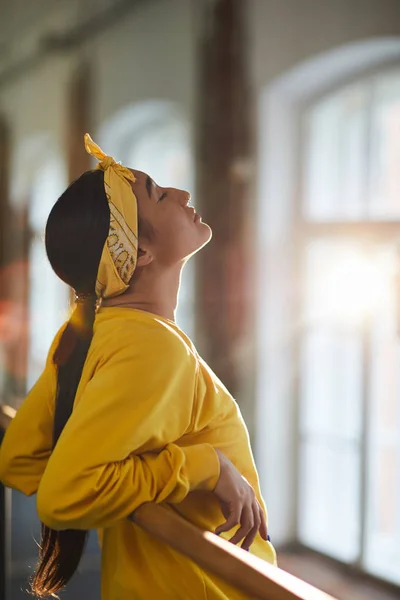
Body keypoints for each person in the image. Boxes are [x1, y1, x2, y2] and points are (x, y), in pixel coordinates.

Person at [0, 135, 276, 600]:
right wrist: (205, 465)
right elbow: (64, 494)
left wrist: (133, 487)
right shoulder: (151, 348)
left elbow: (19, 459)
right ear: (139, 252)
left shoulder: (91, 331)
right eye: (161, 195)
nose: (184, 195)